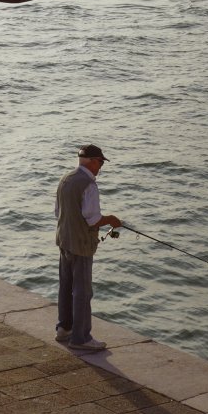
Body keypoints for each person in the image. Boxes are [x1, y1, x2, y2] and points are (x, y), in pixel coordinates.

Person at [54, 144, 121, 352]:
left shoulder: (66, 179)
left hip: (64, 240)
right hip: (81, 245)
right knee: (83, 292)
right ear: (91, 161)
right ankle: (81, 338)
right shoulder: (89, 185)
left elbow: (58, 212)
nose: (101, 166)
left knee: (66, 287)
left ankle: (64, 328)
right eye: (100, 162)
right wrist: (111, 219)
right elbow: (93, 219)